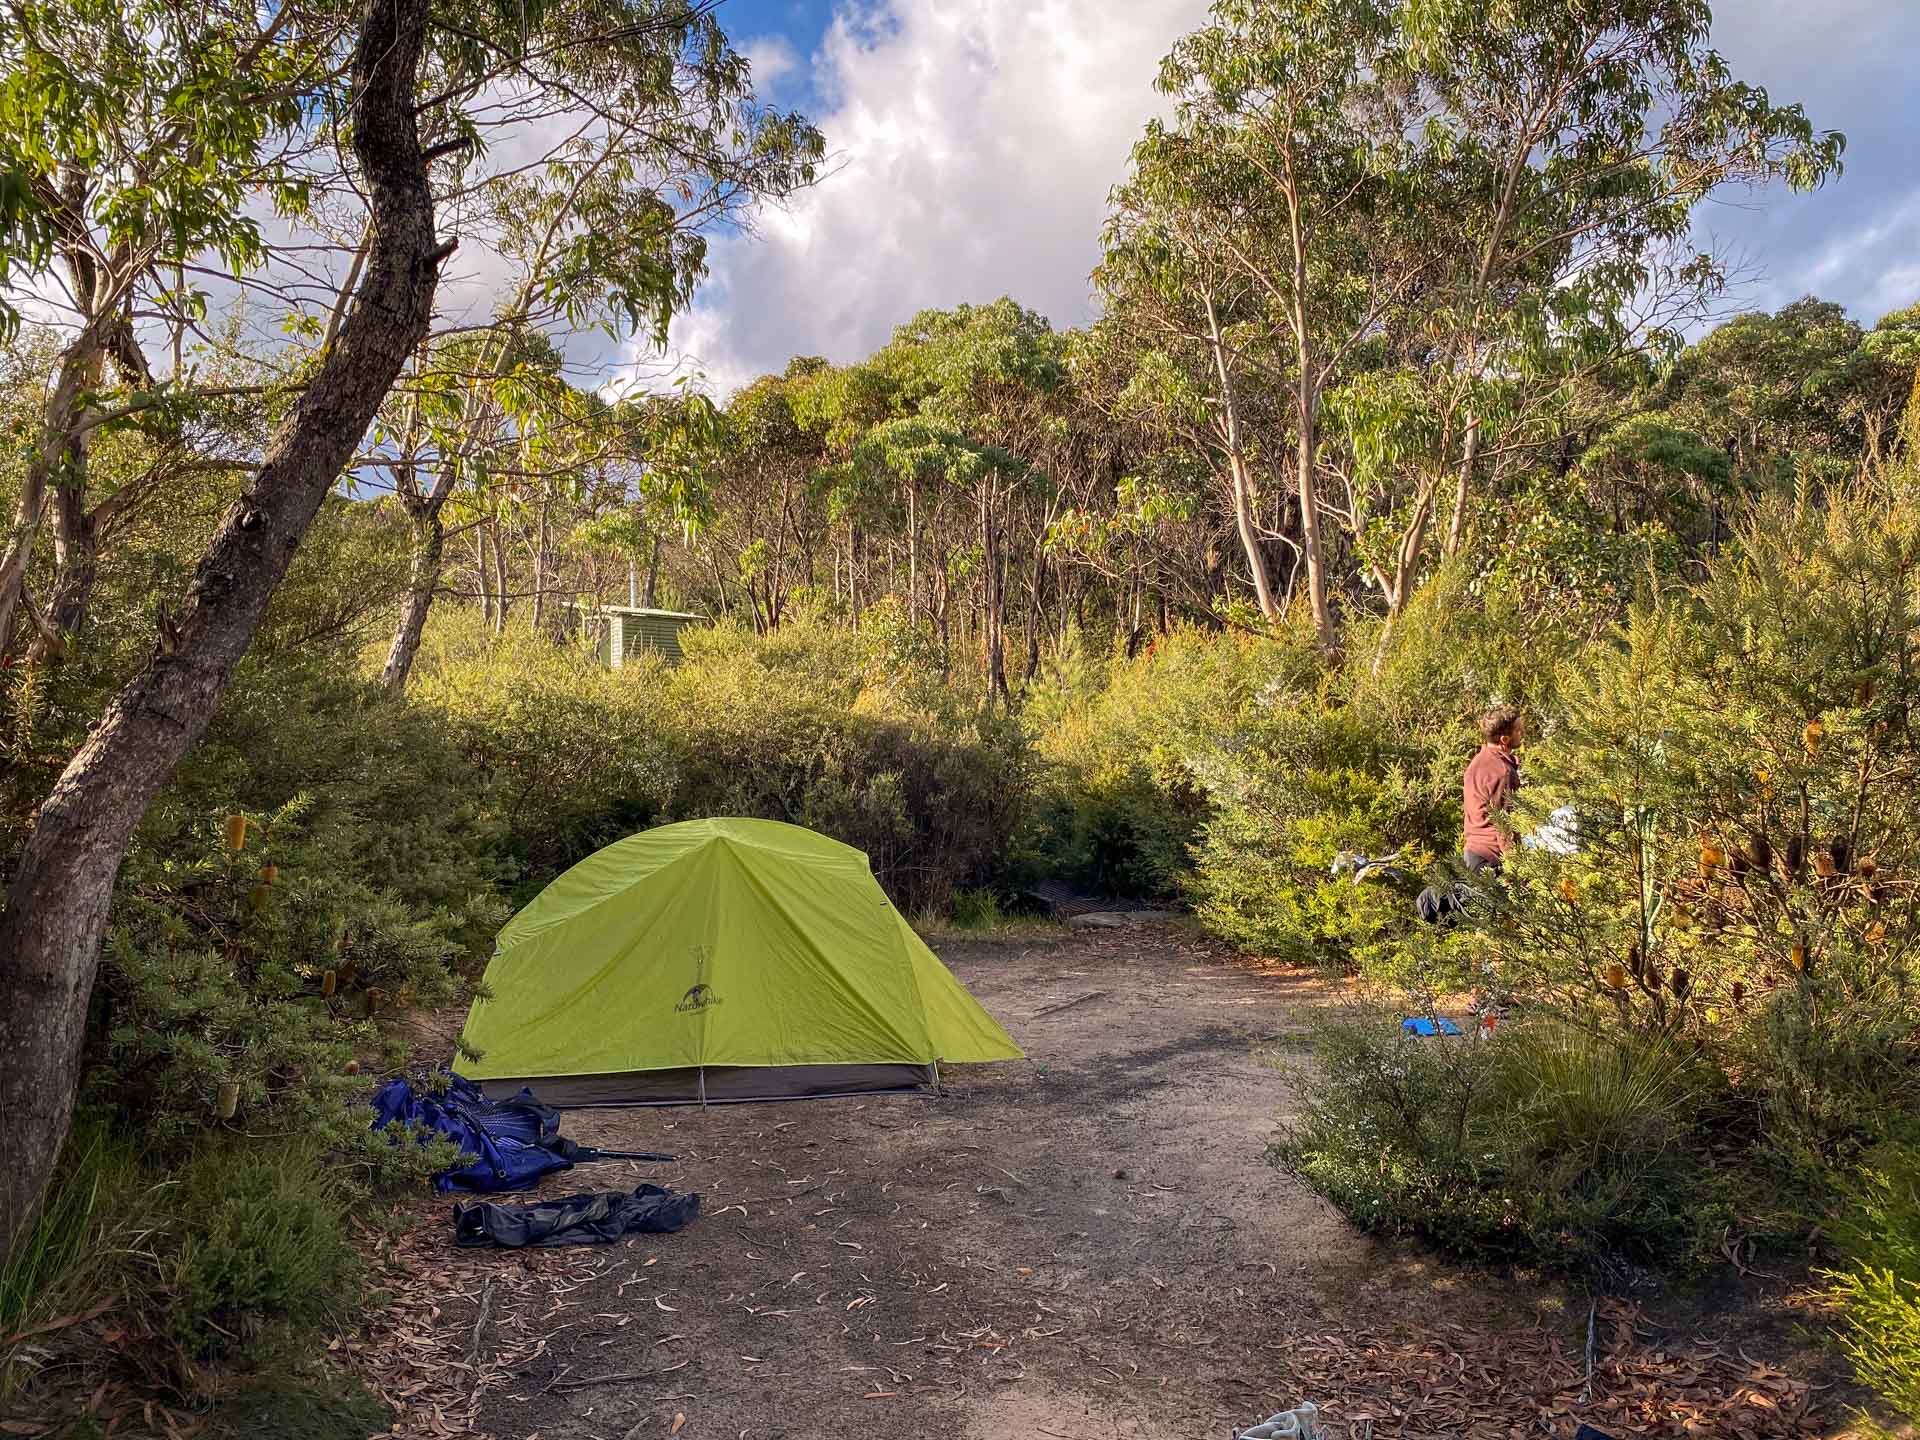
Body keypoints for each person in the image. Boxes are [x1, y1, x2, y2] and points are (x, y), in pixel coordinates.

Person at [1462, 704, 1523, 873]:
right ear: (1505, 740)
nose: (1522, 733)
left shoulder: (1478, 761)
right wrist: (1518, 869)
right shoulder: (1503, 772)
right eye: (1518, 730)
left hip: (1473, 855)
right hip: (1492, 860)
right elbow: (1505, 824)